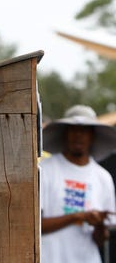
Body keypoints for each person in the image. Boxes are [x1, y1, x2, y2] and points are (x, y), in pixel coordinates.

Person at [40, 104, 116, 262]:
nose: (78, 135)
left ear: (93, 136)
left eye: (84, 130)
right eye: (73, 129)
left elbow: (101, 240)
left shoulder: (103, 177)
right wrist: (77, 216)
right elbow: (34, 226)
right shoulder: (45, 170)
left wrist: (99, 224)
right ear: (65, 134)